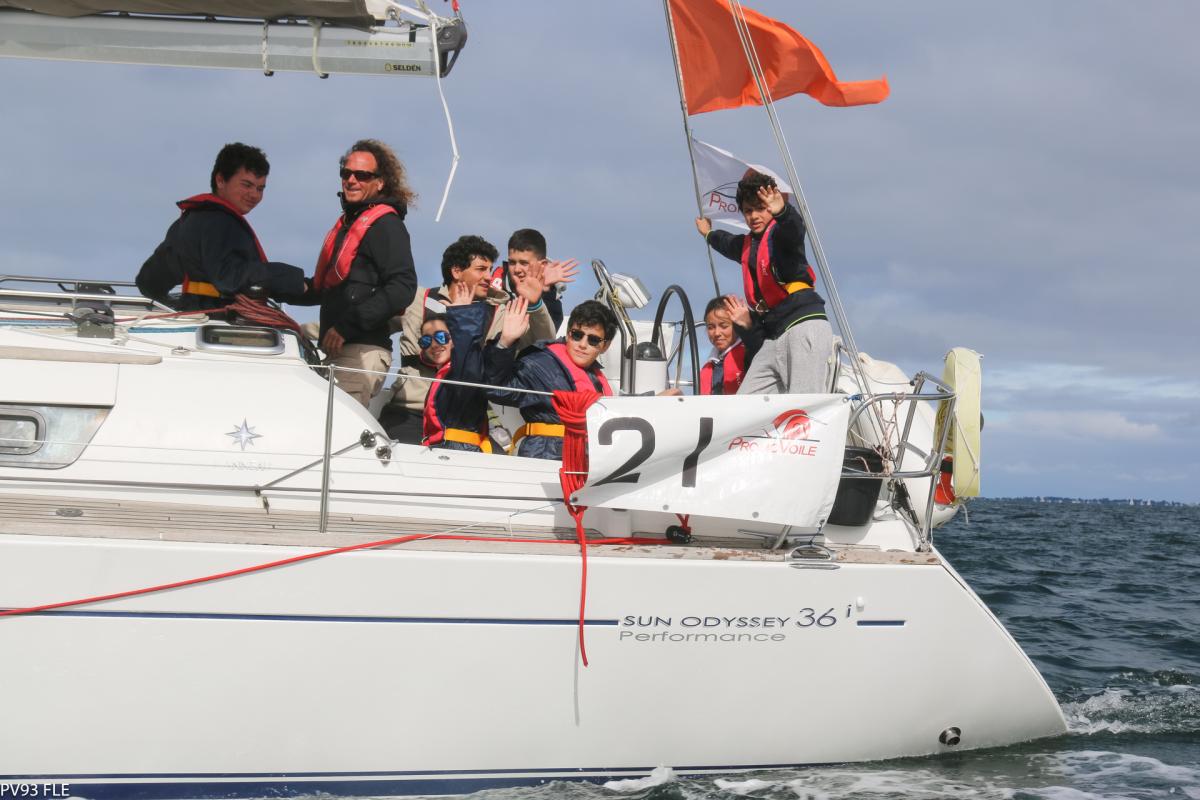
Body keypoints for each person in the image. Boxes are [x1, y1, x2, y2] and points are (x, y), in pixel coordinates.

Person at [382, 234, 567, 435]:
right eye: (481, 269)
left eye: (490, 269)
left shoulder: (498, 312)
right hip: (409, 412)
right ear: (456, 271)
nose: (489, 276)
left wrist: (535, 304)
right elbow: (375, 322)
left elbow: (542, 342)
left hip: (464, 421)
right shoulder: (417, 299)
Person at [298, 139, 418, 407]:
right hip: (342, 352)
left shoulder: (386, 225)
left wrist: (346, 326)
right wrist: (269, 284)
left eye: (362, 175)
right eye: (346, 173)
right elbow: (325, 288)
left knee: (336, 426)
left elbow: (403, 286)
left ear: (380, 182)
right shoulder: (349, 224)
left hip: (361, 352)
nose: (351, 180)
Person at [695, 171, 834, 395]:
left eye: (761, 208)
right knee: (747, 403)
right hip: (774, 333)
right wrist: (708, 234)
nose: (754, 216)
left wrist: (783, 211)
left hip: (802, 324)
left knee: (802, 402)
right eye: (748, 211)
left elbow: (794, 230)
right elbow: (726, 242)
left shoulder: (782, 236)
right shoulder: (747, 245)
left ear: (772, 207)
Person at [136, 142, 306, 310]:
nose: (254, 195)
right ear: (221, 180)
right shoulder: (221, 221)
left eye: (260, 188)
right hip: (221, 319)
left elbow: (149, 282)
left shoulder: (188, 221)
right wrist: (290, 278)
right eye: (246, 185)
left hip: (192, 316)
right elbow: (229, 277)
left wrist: (175, 306)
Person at [485, 299, 616, 460]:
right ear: (568, 333)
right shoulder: (539, 363)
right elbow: (496, 389)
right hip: (545, 456)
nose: (582, 344)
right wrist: (505, 342)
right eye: (577, 335)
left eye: (593, 340)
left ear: (605, 346)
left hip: (585, 458)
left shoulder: (597, 378)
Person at [421, 284, 515, 453]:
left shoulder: (462, 369)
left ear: (454, 338)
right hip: (442, 450)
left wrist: (463, 316)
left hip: (459, 452)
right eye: (426, 341)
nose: (434, 344)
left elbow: (469, 359)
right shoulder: (444, 374)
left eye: (441, 337)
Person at [489, 228, 572, 328]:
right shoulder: (489, 283)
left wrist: (545, 292)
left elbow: (545, 334)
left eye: (524, 263)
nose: (517, 269)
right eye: (512, 262)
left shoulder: (552, 303)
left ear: (543, 265)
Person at [698, 295, 759, 395]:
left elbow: (757, 341)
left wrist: (748, 325)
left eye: (724, 326)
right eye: (711, 327)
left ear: (736, 326)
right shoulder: (707, 368)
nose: (717, 333)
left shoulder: (751, 352)